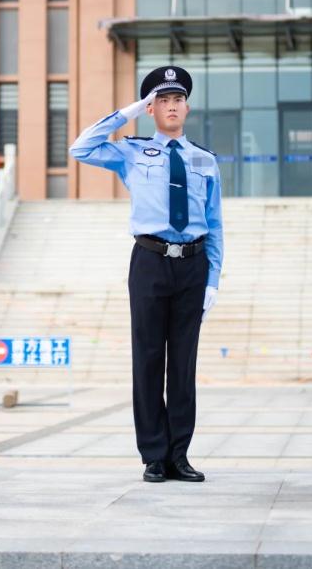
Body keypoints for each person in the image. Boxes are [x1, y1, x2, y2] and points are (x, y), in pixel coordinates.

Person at [69, 65, 223, 483]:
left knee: (184, 365)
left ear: (187, 107)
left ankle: (180, 455)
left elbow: (215, 224)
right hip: (150, 261)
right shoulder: (132, 151)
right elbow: (81, 148)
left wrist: (212, 281)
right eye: (162, 101)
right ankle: (154, 455)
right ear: (152, 109)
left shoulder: (204, 160)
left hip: (193, 265)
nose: (171, 107)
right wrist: (129, 112)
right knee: (149, 359)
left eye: (178, 100)